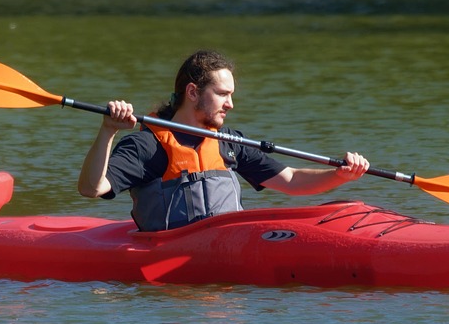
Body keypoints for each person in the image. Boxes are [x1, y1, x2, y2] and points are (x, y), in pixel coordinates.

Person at [77, 49, 370, 232]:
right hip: (168, 255)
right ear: (192, 92)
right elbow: (91, 188)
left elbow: (291, 180)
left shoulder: (229, 142)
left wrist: (341, 175)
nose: (230, 104)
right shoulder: (147, 146)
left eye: (231, 95)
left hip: (225, 252)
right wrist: (108, 131)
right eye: (222, 94)